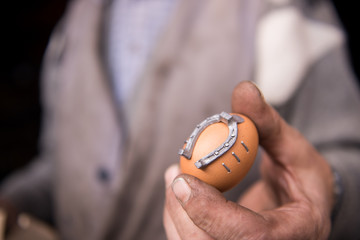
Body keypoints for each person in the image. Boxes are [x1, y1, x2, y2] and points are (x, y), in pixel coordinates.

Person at [1, 0, 360, 239]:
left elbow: (349, 154)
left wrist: (330, 194)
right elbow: (60, 162)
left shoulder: (280, 10)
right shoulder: (78, 18)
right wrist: (12, 201)